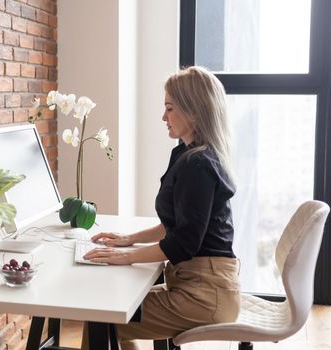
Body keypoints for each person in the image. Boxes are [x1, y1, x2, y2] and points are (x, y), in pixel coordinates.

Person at [83, 66, 240, 349]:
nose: (163, 117)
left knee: (103, 318)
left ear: (193, 111)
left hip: (206, 295)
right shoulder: (186, 154)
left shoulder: (198, 165)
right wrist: (129, 240)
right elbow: (177, 225)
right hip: (199, 285)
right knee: (107, 312)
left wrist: (126, 258)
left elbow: (184, 243)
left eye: (169, 108)